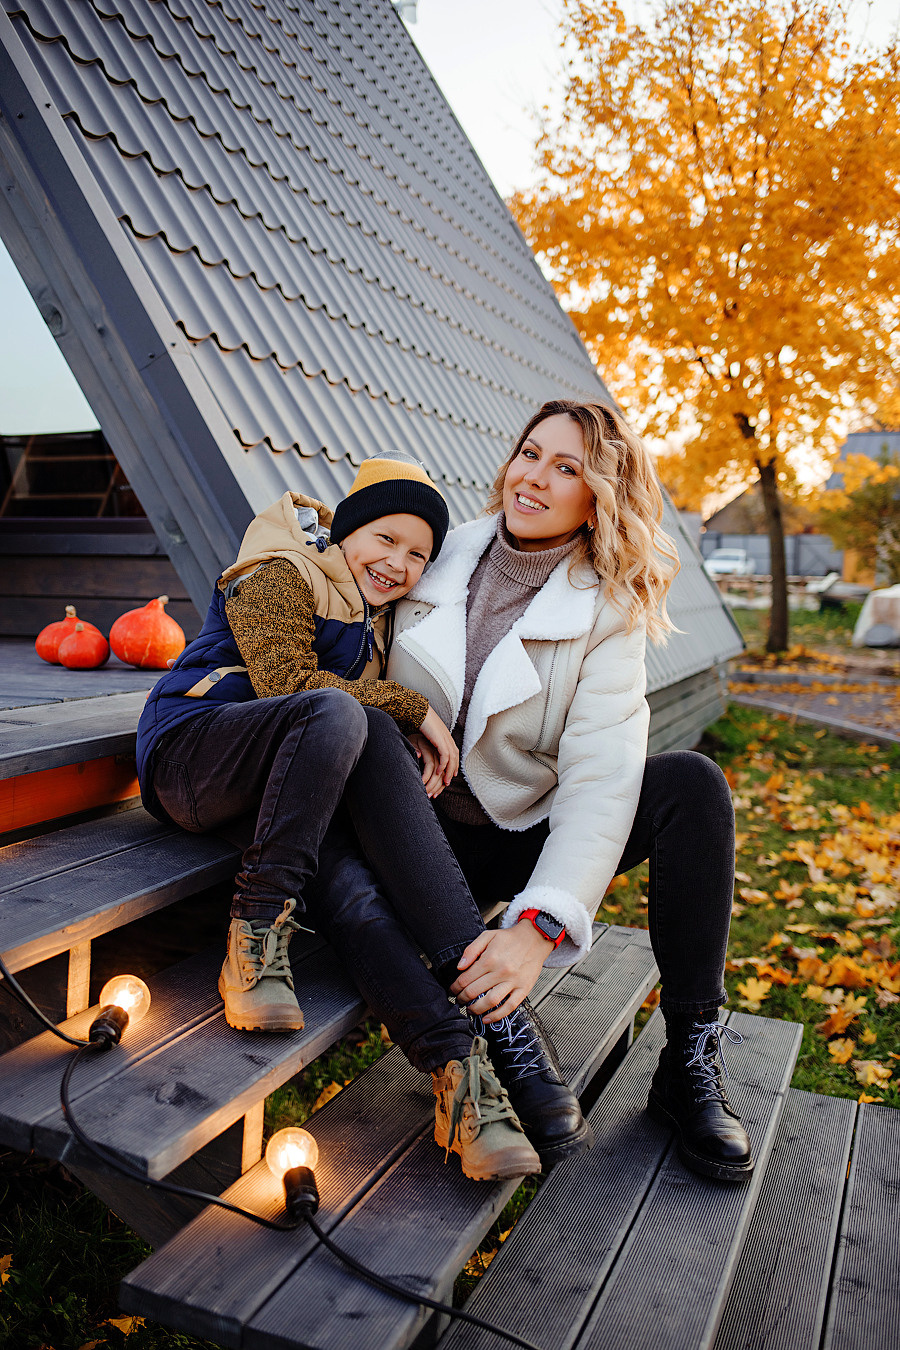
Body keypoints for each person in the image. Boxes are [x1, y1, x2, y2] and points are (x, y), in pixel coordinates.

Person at [134, 454, 588, 1183]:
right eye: (385, 538)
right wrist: (411, 709)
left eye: (418, 555)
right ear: (346, 531)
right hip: (195, 753)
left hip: (278, 792)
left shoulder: (369, 626)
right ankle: (254, 930)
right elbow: (288, 687)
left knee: (354, 892)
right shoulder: (279, 571)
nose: (399, 563)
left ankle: (459, 1070)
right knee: (342, 710)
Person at [382, 399, 753, 1184]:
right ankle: (507, 1030)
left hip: (516, 834)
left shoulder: (606, 611)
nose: (534, 478)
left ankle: (689, 1062)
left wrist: (537, 928)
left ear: (598, 499)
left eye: (566, 468)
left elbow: (601, 779)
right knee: (373, 750)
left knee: (692, 784)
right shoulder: (434, 556)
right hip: (403, 826)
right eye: (529, 453)